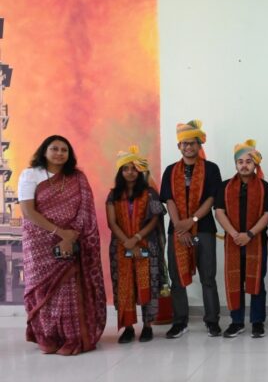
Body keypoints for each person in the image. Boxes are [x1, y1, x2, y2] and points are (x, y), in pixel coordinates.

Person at [18, 135, 106, 355]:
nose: (59, 153)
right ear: (44, 151)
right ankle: (47, 337)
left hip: (72, 239)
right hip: (39, 241)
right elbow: (28, 211)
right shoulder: (30, 174)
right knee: (42, 290)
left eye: (64, 150)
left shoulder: (77, 178)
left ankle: (71, 337)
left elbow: (85, 212)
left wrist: (70, 237)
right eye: (54, 149)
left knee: (68, 289)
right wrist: (60, 233)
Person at [160, 120, 223, 339]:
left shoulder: (211, 169)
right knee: (177, 278)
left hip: (204, 228)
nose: (188, 147)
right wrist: (180, 226)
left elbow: (211, 199)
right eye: (184, 144)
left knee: (208, 277)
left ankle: (212, 321)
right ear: (179, 146)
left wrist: (193, 220)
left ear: (199, 145)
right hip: (177, 230)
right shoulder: (170, 170)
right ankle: (180, 322)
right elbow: (169, 200)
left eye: (192, 143)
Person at [106, 146, 166, 344]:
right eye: (126, 169)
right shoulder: (113, 195)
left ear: (140, 171)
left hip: (147, 245)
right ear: (120, 172)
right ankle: (128, 328)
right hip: (120, 248)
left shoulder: (150, 193)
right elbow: (112, 222)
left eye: (134, 168)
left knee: (148, 285)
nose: (130, 172)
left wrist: (137, 237)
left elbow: (155, 218)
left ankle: (147, 326)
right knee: (125, 286)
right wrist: (128, 242)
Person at [214, 140, 268, 339]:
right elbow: (219, 212)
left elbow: (267, 214)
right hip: (233, 242)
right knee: (235, 281)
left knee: (257, 282)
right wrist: (234, 234)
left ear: (255, 164)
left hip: (256, 241)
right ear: (236, 164)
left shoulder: (265, 187)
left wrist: (249, 235)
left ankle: (257, 322)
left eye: (248, 161)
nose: (244, 165)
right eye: (240, 162)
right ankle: (236, 322)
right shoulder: (225, 187)